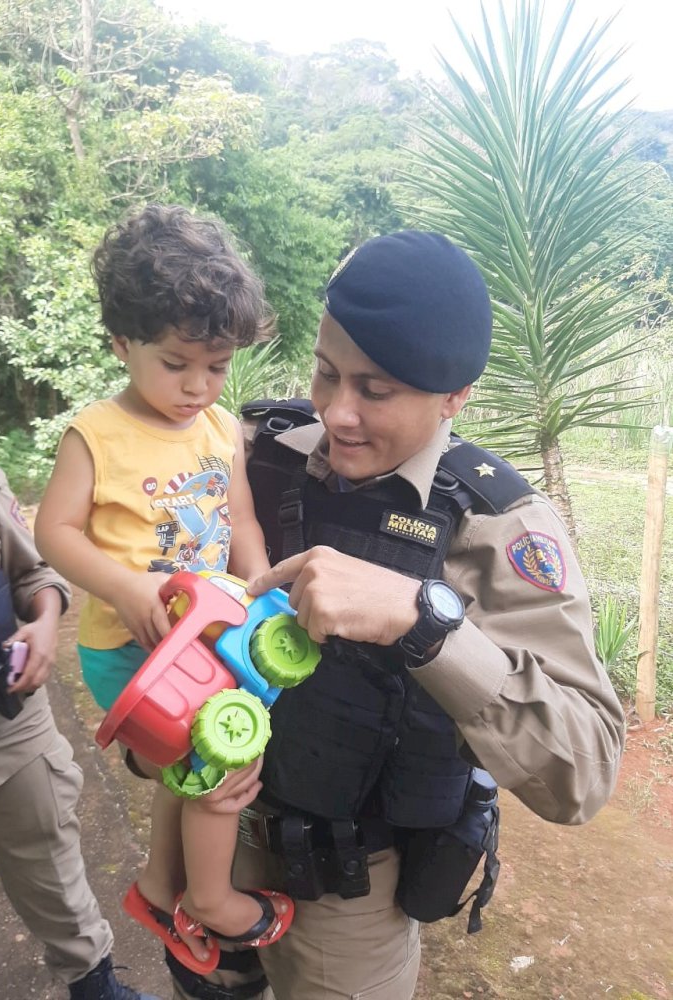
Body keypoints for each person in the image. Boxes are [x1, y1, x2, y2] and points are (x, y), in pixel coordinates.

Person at [160, 230, 627, 1000]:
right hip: (202, 834)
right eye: (325, 373)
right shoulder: (257, 452)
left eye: (375, 391)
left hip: (345, 897)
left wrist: (426, 622)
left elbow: (585, 770)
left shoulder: (497, 529)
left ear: (455, 398)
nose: (338, 412)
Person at [34, 204, 292, 977]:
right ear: (122, 343)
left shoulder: (218, 428)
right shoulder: (97, 433)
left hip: (209, 631)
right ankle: (209, 899)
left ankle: (155, 887)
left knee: (191, 761)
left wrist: (255, 587)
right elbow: (54, 533)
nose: (197, 385)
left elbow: (238, 516)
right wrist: (126, 584)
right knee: (217, 755)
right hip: (133, 647)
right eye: (177, 363)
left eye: (217, 366)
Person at [0, 339, 158, 1000]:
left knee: (49, 855)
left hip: (1, 712)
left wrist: (46, 620)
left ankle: (95, 983)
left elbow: (37, 574)